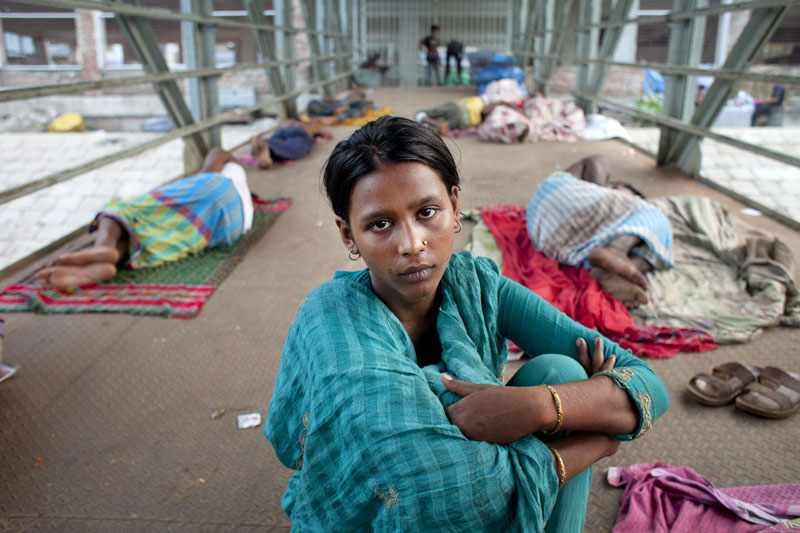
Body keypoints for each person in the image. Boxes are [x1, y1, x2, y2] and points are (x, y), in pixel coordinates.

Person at [264, 117, 669, 531]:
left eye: (427, 212)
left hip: (486, 467)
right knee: (581, 396)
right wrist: (599, 438)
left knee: (561, 373)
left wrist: (532, 407)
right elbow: (454, 492)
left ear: (455, 207)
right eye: (380, 224)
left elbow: (649, 385)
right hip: (386, 512)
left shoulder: (476, 285)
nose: (412, 244)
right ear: (349, 236)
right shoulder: (334, 326)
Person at [36, 148, 254, 289]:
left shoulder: (231, 172)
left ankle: (105, 246)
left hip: (217, 189)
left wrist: (228, 160)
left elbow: (215, 157)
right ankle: (113, 258)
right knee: (157, 239)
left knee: (129, 208)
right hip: (231, 228)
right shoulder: (247, 207)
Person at [526, 155, 674, 308]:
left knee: (653, 248)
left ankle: (611, 272)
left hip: (541, 232)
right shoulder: (595, 190)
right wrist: (602, 189)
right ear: (619, 186)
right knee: (656, 218)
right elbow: (596, 160)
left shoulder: (615, 227)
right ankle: (616, 250)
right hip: (561, 195)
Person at [249, 119, 332, 169]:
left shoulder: (287, 122)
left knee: (278, 142)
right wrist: (320, 132)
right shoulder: (305, 125)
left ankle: (265, 144)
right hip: (298, 132)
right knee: (296, 148)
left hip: (281, 131)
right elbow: (327, 134)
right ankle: (266, 145)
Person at [414, 94, 486, 136]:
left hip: (458, 109)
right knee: (442, 128)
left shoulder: (478, 100)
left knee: (425, 113)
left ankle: (426, 120)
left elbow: (461, 102)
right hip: (463, 121)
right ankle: (434, 126)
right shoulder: (485, 119)